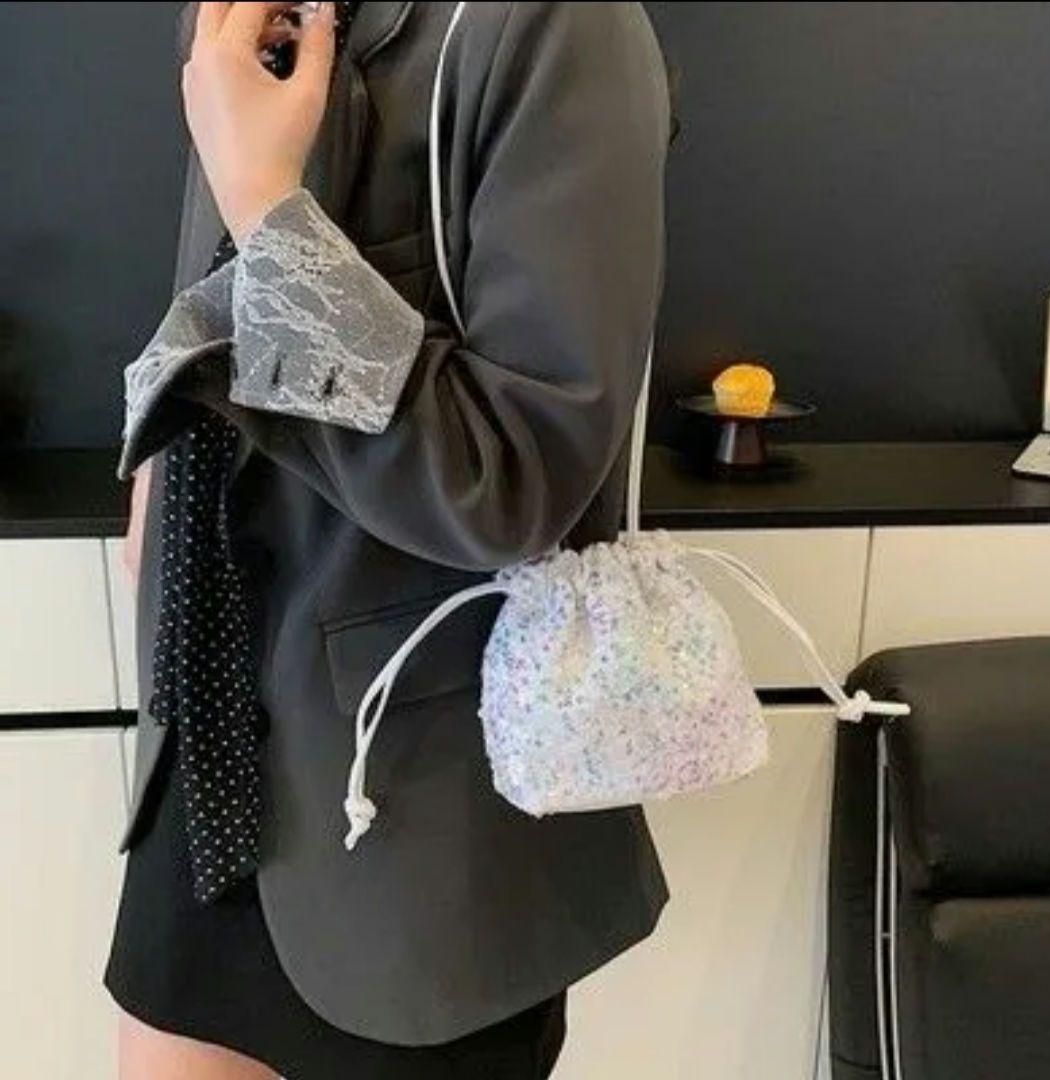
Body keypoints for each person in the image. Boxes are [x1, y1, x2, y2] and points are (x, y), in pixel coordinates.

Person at [106, 2, 674, 1077]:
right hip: (203, 752)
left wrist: (266, 205)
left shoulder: (561, 28)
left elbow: (513, 477)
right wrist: (156, 480)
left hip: (413, 821)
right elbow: (214, 292)